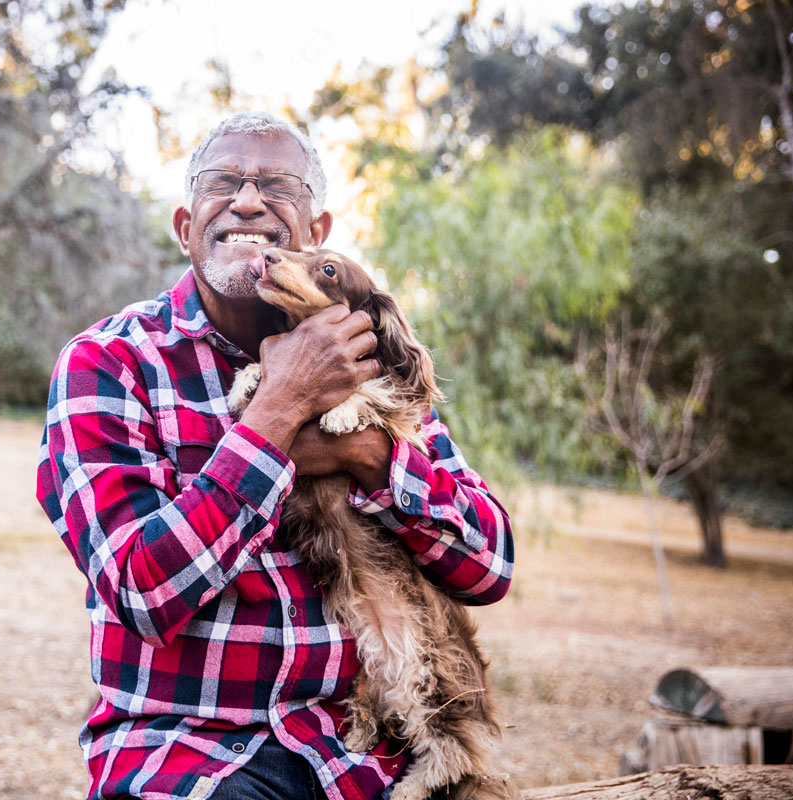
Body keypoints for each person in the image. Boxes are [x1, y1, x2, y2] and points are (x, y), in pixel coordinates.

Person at [36, 112, 514, 800]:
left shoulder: (370, 367)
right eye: (224, 182)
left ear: (318, 234)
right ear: (185, 226)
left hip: (365, 754)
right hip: (185, 749)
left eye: (276, 185)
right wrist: (280, 409)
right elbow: (142, 590)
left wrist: (368, 454)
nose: (249, 200)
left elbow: (489, 565)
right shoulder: (109, 364)